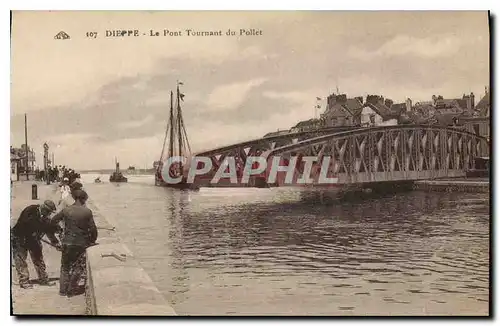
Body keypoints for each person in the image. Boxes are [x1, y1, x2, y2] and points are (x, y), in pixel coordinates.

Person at [51, 190, 97, 296]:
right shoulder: (87, 212)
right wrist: (92, 241)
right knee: (78, 266)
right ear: (83, 199)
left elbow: (53, 221)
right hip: (80, 244)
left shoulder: (66, 210)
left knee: (65, 266)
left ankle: (62, 290)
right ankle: (71, 289)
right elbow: (93, 229)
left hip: (67, 242)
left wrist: (60, 231)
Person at [11, 200, 60, 289]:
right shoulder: (31, 210)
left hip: (33, 240)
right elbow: (24, 223)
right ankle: (24, 281)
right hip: (20, 238)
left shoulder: (45, 219)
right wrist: (34, 233)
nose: (49, 214)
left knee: (39, 259)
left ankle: (43, 279)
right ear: (44, 209)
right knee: (21, 260)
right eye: (48, 212)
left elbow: (49, 232)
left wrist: (56, 243)